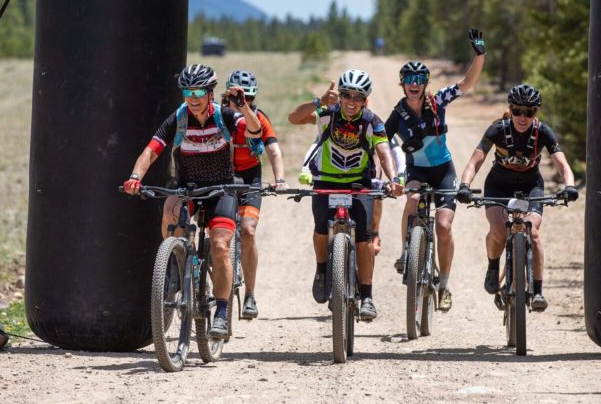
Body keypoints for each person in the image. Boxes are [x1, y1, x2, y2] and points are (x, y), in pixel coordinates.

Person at [123, 64, 263, 338]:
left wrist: (244, 107)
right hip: (188, 186)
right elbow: (150, 151)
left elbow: (254, 132)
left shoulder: (224, 115)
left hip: (221, 188)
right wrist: (135, 176)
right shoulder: (179, 118)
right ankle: (175, 262)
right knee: (169, 209)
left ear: (210, 93)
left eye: (198, 91)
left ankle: (222, 312)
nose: (193, 97)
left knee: (221, 245)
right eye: (188, 92)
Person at [288, 69, 403, 321]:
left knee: (363, 239)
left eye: (357, 97)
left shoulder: (373, 121)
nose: (351, 101)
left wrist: (393, 179)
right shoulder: (328, 113)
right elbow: (294, 118)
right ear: (339, 95)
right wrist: (319, 101)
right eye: (346, 95)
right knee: (320, 228)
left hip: (357, 183)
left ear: (365, 100)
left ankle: (368, 296)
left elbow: (384, 151)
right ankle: (321, 271)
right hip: (326, 181)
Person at [386, 28, 486, 312]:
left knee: (443, 226)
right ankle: (407, 252)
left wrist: (480, 55)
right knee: (413, 200)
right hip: (416, 170)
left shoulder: (437, 100)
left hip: (444, 170)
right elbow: (381, 141)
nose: (414, 85)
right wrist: (389, 175)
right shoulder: (398, 113)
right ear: (402, 84)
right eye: (409, 80)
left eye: (419, 80)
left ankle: (444, 283)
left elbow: (467, 83)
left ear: (426, 83)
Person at [457, 83, 578, 312]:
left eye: (529, 112)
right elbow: (476, 160)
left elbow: (562, 163)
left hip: (531, 186)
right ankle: (493, 267)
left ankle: (538, 290)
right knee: (499, 231)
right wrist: (465, 185)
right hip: (498, 186)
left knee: (533, 233)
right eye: (518, 111)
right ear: (510, 109)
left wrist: (569, 185)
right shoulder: (498, 129)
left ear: (536, 112)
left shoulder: (543, 132)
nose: (523, 117)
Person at [223, 69, 289, 320]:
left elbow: (273, 151)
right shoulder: (217, 116)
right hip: (222, 177)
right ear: (226, 95)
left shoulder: (259, 118)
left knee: (248, 230)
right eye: (237, 97)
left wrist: (280, 179)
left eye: (248, 98)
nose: (243, 102)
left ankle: (250, 293)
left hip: (250, 177)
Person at [299, 133, 404, 256]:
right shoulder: (333, 122)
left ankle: (374, 233)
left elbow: (395, 152)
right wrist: (305, 170)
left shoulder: (373, 124)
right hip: (335, 172)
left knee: (375, 193)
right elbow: (316, 145)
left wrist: (398, 176)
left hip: (367, 168)